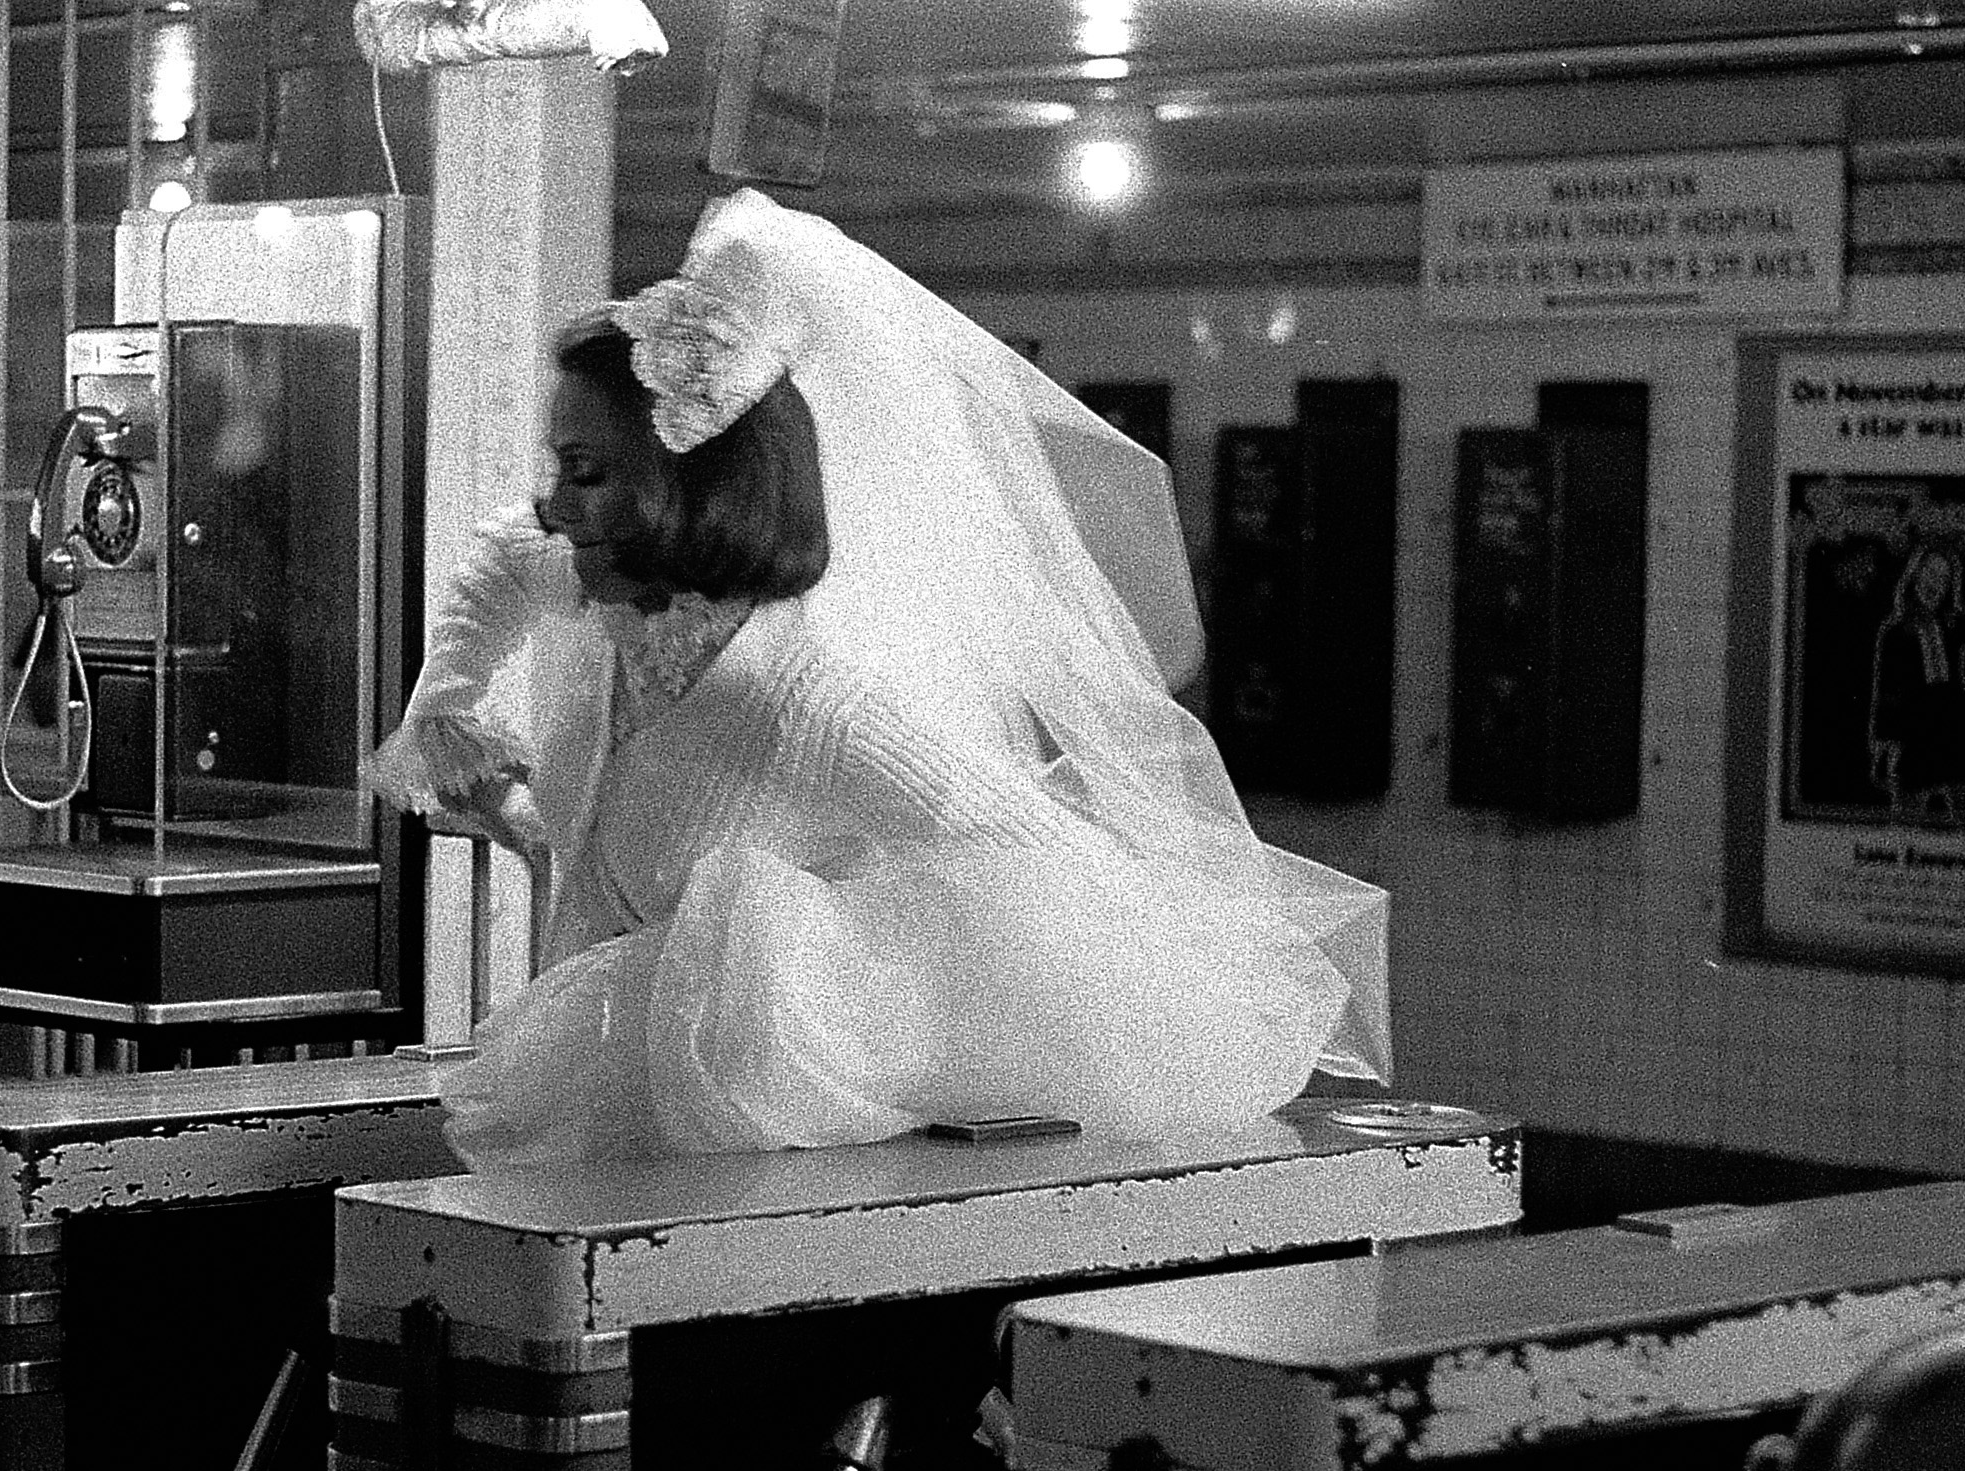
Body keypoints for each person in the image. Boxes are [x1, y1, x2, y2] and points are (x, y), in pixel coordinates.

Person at [366, 188, 1389, 1166]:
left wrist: (838, 972)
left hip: (738, 1187)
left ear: (691, 486)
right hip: (590, 1139)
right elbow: (498, 563)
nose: (554, 506)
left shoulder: (803, 705)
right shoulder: (611, 606)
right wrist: (445, 712)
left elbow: (1028, 850)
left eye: (587, 473)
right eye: (558, 467)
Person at [1866, 544, 1965, 826]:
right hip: (1914, 729)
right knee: (1907, 815)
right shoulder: (1895, 632)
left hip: (1954, 723)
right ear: (1915, 576)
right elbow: (1887, 691)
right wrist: (1887, 743)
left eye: (1944, 577)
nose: (1936, 582)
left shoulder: (1952, 622)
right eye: (1930, 574)